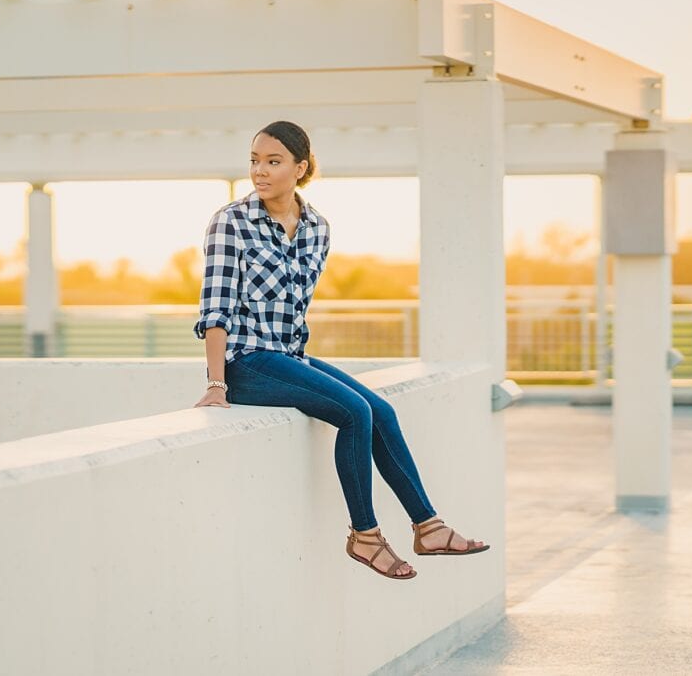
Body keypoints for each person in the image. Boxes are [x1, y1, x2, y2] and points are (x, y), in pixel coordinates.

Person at [192, 120, 488, 581]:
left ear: (301, 167)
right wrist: (216, 382)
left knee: (381, 411)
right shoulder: (231, 222)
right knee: (354, 412)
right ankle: (365, 536)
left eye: (273, 161)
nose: (260, 171)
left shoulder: (316, 229)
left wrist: (295, 360)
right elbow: (216, 310)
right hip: (246, 362)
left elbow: (296, 308)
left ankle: (428, 526)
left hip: (289, 357)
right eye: (254, 161)